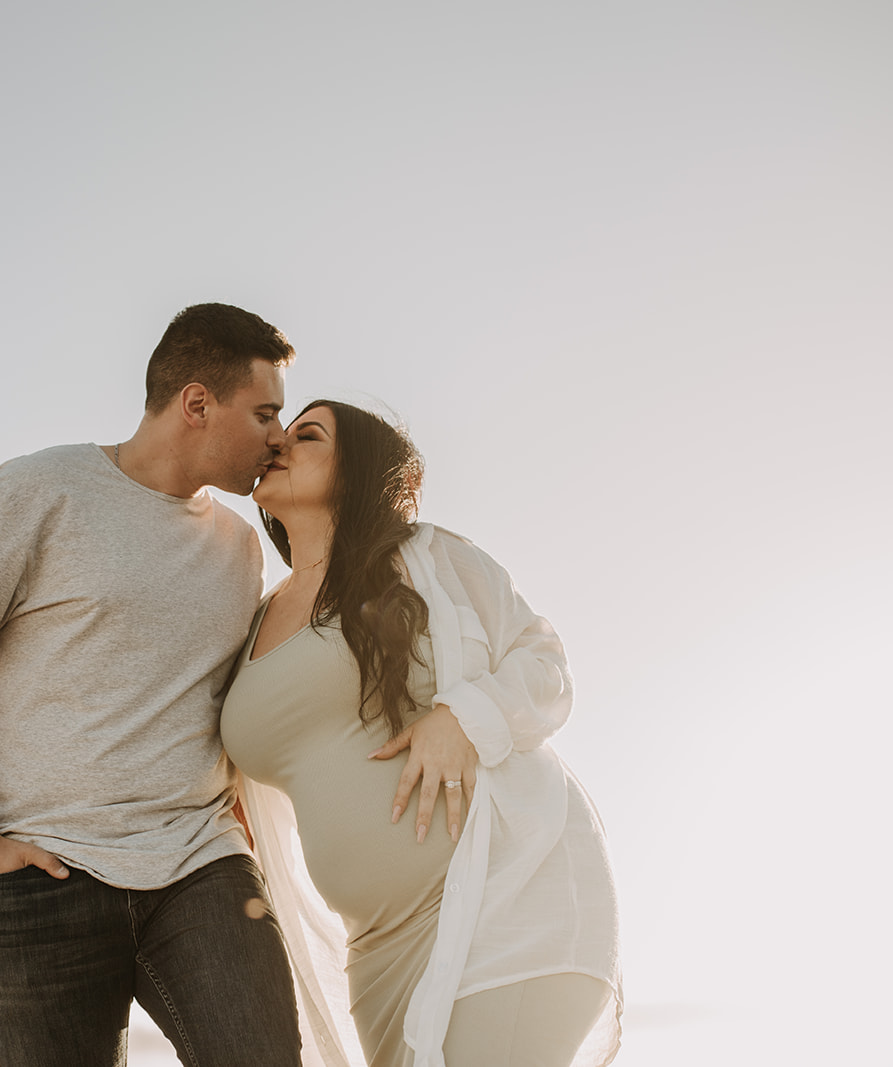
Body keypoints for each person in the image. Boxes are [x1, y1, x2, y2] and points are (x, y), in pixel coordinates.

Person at [0, 303, 304, 1067]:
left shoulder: (243, 550)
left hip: (200, 865)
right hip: (44, 871)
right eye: (266, 411)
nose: (279, 435)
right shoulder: (38, 490)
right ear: (197, 403)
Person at [220, 400, 622, 1067]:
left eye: (309, 435)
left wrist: (464, 717)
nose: (280, 444)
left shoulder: (426, 558)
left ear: (360, 471)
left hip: (507, 900)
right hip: (377, 950)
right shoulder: (256, 618)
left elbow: (546, 666)